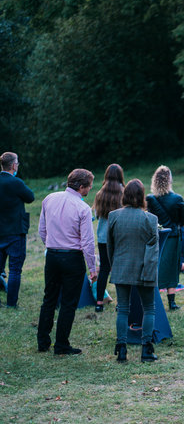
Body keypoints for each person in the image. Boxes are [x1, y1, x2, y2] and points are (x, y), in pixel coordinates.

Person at [37, 169, 97, 355]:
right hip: (72, 258)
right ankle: (62, 344)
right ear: (81, 187)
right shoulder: (83, 208)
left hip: (53, 255)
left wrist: (51, 246)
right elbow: (87, 242)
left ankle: (43, 341)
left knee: (49, 298)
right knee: (69, 303)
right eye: (89, 187)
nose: (90, 190)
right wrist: (93, 267)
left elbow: (41, 230)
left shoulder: (49, 198)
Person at [107, 179, 159, 363]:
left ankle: (121, 349)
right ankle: (146, 350)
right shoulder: (151, 219)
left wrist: (114, 263)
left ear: (125, 195)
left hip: (121, 266)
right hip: (144, 269)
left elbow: (109, 246)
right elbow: (154, 250)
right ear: (142, 196)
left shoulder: (113, 216)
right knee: (149, 308)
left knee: (123, 309)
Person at [146, 166, 184, 311]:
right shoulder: (177, 199)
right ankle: (172, 303)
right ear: (169, 180)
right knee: (171, 268)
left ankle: (153, 300)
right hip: (173, 236)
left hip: (155, 236)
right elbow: (183, 220)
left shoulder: (150, 199)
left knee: (155, 267)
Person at [0, 152, 34, 307]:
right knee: (14, 270)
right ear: (13, 165)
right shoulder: (16, 183)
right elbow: (30, 197)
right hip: (15, 231)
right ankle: (11, 303)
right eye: (17, 163)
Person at [92, 163, 124, 313]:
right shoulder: (123, 193)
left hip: (103, 237)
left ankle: (99, 302)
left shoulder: (100, 194)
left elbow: (97, 215)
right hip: (119, 237)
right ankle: (120, 303)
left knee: (104, 269)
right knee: (119, 269)